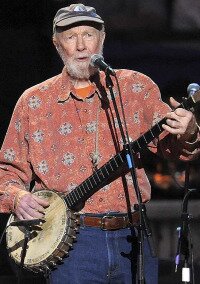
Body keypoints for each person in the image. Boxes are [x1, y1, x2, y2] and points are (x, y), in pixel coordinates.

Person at [0, 3, 200, 284]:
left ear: (102, 39)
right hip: (70, 244)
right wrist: (18, 198)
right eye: (71, 37)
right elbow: (6, 172)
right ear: (58, 45)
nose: (81, 45)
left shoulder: (135, 88)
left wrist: (188, 131)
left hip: (133, 237)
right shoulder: (33, 102)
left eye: (89, 34)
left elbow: (175, 150)